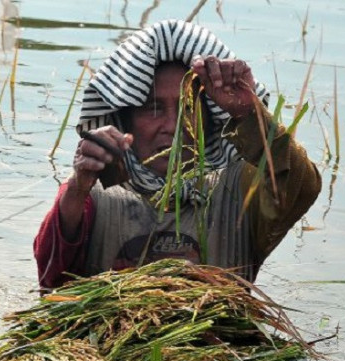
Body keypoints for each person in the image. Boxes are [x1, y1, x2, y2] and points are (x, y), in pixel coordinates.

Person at [34, 19, 321, 289]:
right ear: (126, 120)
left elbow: (299, 186)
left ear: (209, 121)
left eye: (189, 109)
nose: (173, 127)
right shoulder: (92, 195)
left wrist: (248, 113)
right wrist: (77, 186)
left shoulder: (239, 192)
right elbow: (50, 277)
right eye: (153, 109)